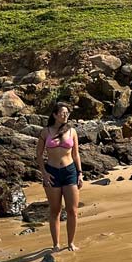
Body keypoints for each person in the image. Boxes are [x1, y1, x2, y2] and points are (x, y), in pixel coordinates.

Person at [36, 102, 83, 252]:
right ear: (55, 115)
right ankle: (56, 244)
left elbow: (76, 154)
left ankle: (70, 243)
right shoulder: (45, 132)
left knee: (72, 211)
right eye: (62, 113)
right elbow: (38, 154)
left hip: (70, 172)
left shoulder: (72, 132)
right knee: (55, 210)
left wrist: (80, 173)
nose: (65, 115)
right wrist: (43, 172)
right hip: (52, 172)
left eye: (67, 113)